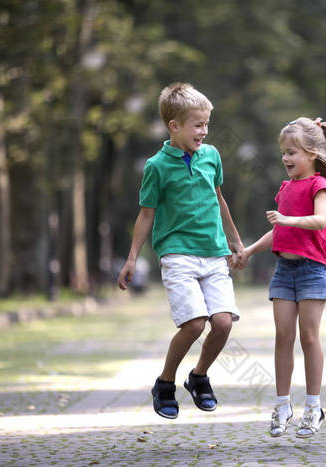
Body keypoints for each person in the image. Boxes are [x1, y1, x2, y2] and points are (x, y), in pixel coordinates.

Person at [117, 82, 244, 419]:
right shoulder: (156, 166)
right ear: (174, 126)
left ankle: (199, 376)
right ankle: (165, 382)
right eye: (197, 125)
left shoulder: (211, 156)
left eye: (206, 124)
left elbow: (218, 198)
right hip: (177, 253)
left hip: (214, 251)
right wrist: (131, 258)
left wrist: (234, 239)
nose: (203, 131)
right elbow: (146, 213)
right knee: (194, 324)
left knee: (223, 322)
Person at [242, 117, 326, 438]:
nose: (286, 158)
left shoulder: (318, 184)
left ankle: (314, 408)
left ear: (312, 153)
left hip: (312, 269)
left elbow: (320, 220)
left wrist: (288, 218)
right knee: (283, 337)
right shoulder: (285, 188)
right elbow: (278, 229)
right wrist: (249, 250)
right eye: (283, 152)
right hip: (284, 270)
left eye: (292, 152)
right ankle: (282, 406)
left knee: (309, 337)